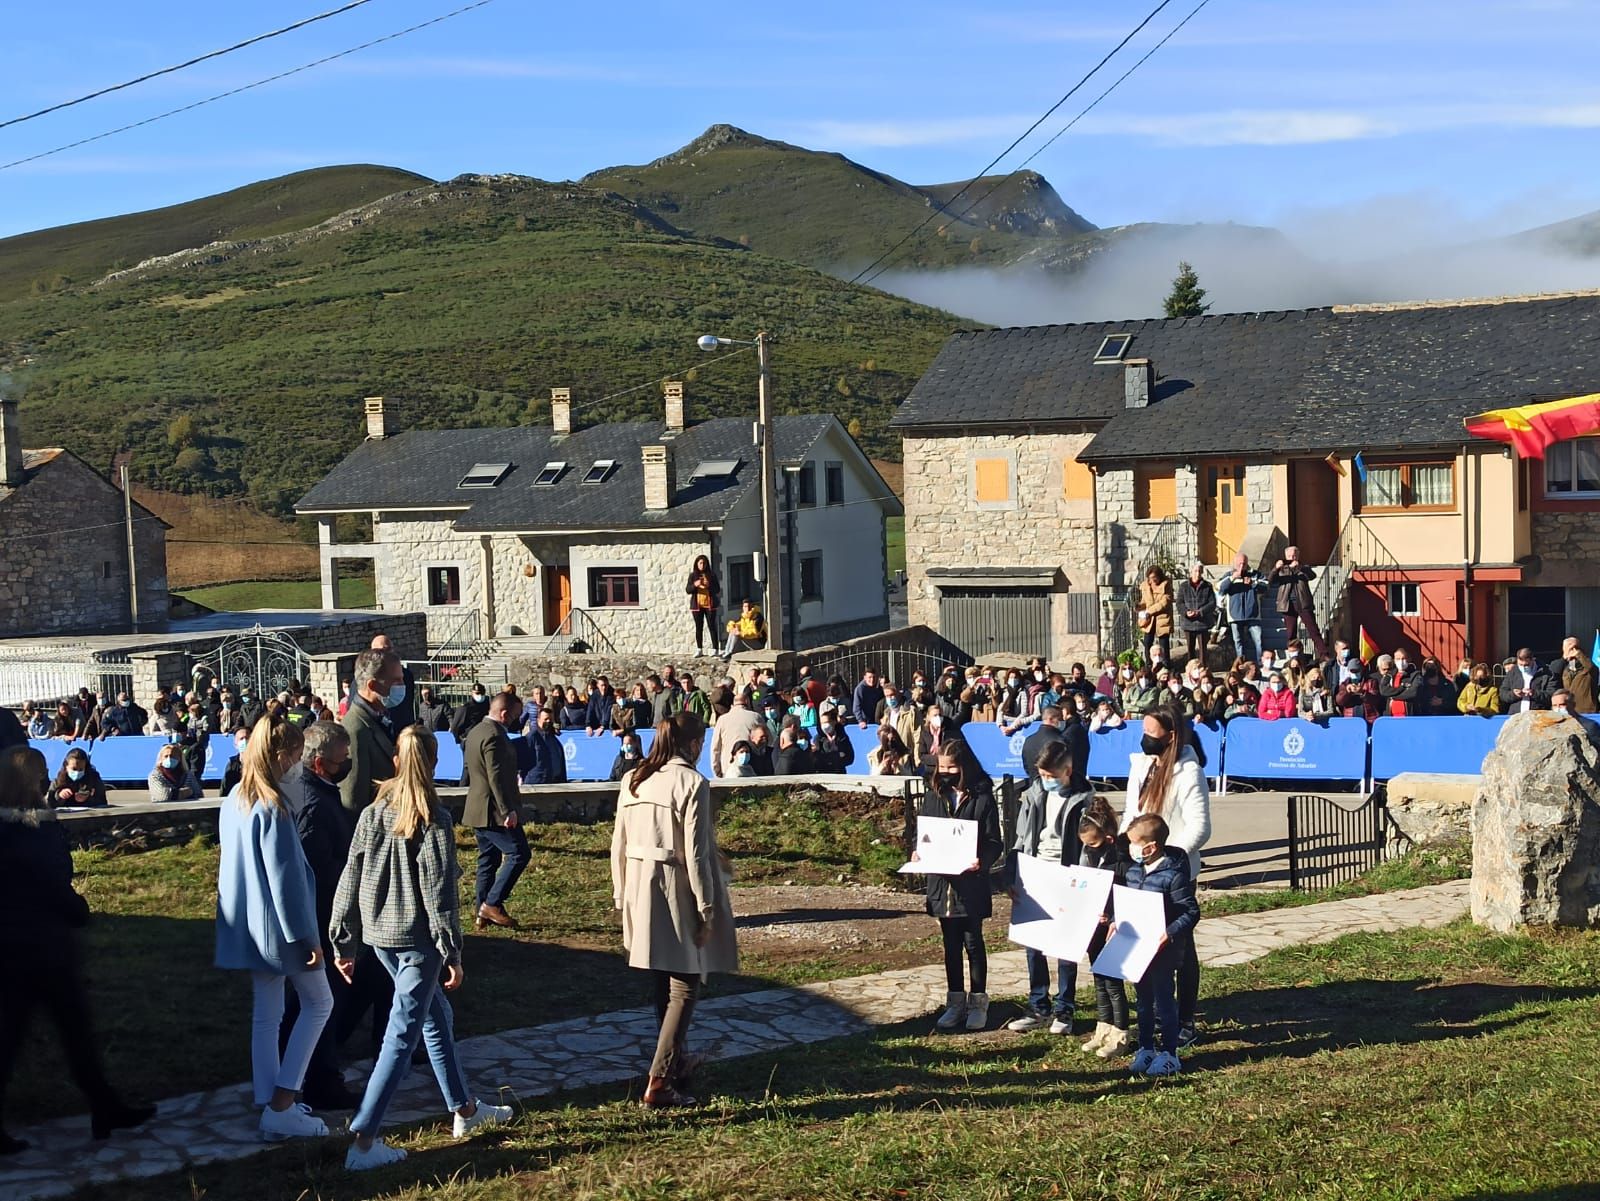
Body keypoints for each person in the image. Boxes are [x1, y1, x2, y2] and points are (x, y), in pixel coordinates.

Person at [331, 726, 512, 1170]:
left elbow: (349, 877)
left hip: (380, 939)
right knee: (401, 1034)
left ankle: (465, 1110)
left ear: (396, 760)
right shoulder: (433, 818)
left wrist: (344, 938)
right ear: (432, 763)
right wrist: (452, 951)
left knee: (436, 1017)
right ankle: (365, 1137)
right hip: (416, 944)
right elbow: (440, 893)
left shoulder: (374, 812)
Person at [0, 746, 154, 1154]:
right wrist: (77, 910)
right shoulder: (29, 830)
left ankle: (106, 1106)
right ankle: (106, 1107)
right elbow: (51, 883)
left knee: (65, 1031)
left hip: (20, 947)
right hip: (39, 947)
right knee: (36, 1033)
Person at [609, 711, 737, 1109]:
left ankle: (675, 1057)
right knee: (685, 981)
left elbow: (618, 841)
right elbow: (697, 854)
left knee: (662, 972)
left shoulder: (634, 779)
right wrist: (707, 906)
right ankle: (660, 1079)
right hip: (674, 886)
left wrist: (620, 892)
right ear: (696, 744)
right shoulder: (692, 782)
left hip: (638, 884)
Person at [214, 719, 334, 1142]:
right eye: (297, 755)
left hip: (247, 924)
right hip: (281, 930)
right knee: (319, 1003)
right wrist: (307, 939)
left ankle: (268, 1098)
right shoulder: (274, 806)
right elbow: (287, 883)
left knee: (267, 1012)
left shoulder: (234, 798)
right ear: (282, 756)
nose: (299, 763)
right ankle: (283, 1103)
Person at [280, 722, 365, 1111]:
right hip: (321, 917)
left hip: (312, 919)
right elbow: (318, 871)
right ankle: (320, 1080)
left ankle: (301, 1072)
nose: (346, 763)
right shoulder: (313, 802)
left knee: (307, 1003)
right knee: (320, 1002)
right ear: (319, 763)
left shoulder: (299, 786)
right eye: (340, 759)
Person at [1119, 711, 1211, 1048]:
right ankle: (1156, 1012)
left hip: (1173, 871)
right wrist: (1125, 843)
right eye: (1143, 730)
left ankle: (1185, 1020)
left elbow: (1200, 827)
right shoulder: (1142, 765)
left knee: (1180, 948)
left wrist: (1169, 860)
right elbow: (1132, 812)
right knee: (1146, 943)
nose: (1144, 737)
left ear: (1171, 736)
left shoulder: (1188, 772)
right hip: (1140, 867)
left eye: (1151, 732)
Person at [1003, 742, 1092, 1035]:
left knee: (1065, 948)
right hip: (1036, 873)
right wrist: (1013, 873)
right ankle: (1038, 1006)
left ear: (1067, 771)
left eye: (1050, 774)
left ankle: (1064, 1009)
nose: (1045, 780)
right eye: (1041, 774)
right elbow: (1021, 836)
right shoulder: (1033, 795)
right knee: (1034, 946)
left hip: (1067, 875)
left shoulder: (1084, 800)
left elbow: (1089, 844)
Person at [915, 742, 1003, 1034]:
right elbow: (922, 835)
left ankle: (978, 1002)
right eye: (942, 768)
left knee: (973, 942)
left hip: (970, 884)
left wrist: (983, 860)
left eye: (952, 768)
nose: (947, 773)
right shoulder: (934, 797)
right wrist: (917, 852)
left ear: (964, 767)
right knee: (950, 944)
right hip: (943, 884)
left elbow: (994, 841)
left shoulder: (982, 799)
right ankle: (955, 1002)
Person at [1118, 814, 1201, 1078]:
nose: (1130, 849)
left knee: (1164, 1002)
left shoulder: (1173, 876)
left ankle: (1170, 1053)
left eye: (1134, 843)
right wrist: (1113, 920)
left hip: (1163, 951)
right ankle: (1145, 1047)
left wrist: (1170, 932)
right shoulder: (1133, 872)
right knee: (1142, 1001)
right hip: (1138, 949)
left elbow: (1190, 912)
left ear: (1151, 847)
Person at [464, 694, 527, 931]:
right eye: (516, 715)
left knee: (488, 860)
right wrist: (506, 810)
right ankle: (492, 904)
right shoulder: (494, 736)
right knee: (519, 853)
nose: (516, 720)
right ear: (504, 714)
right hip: (493, 810)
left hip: (477, 807)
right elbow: (495, 776)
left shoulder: (476, 731)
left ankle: (482, 912)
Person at [1076, 798, 1133, 1059]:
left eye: (1093, 844)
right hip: (1092, 927)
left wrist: (1111, 916)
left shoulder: (1122, 863)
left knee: (1113, 982)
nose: (1089, 849)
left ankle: (1121, 1032)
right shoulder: (1089, 857)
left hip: (1112, 927)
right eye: (1085, 845)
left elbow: (1127, 896)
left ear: (1109, 839)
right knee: (1098, 978)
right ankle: (1103, 1027)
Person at [340, 648, 403, 814]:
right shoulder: (355, 729)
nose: (402, 687)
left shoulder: (381, 717)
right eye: (395, 681)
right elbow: (352, 799)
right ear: (372, 685)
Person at [1269, 546, 1329, 658]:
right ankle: (1294, 656)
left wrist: (1300, 568)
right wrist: (1275, 568)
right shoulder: (1282, 569)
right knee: (1291, 633)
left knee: (1313, 630)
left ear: (1298, 555)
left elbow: (1312, 576)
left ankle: (1324, 654)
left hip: (1303, 603)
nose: (1292, 557)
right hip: (1287, 604)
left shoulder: (1304, 567)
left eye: (1295, 555)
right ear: (1286, 556)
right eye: (1290, 555)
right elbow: (1271, 581)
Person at [709, 692, 764, 778]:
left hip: (727, 767)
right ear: (747, 702)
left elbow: (715, 748)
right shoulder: (756, 717)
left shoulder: (722, 720)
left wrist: (717, 770)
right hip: (752, 767)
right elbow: (766, 741)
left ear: (733, 704)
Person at [367, 634, 416, 728]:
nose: (388, 653)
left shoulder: (406, 675)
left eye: (390, 649)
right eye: (383, 649)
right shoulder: (365, 679)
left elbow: (408, 707)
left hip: (403, 730)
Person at [1175, 564, 1218, 664]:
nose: (1197, 573)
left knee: (1203, 650)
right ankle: (1191, 669)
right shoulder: (1184, 586)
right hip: (1188, 623)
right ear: (1191, 572)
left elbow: (1212, 603)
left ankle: (1203, 670)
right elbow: (1179, 603)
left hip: (1203, 623)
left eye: (1199, 571)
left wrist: (1201, 612)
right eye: (1195, 571)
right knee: (1190, 650)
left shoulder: (1207, 586)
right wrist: (1186, 612)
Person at [686, 554, 722, 655]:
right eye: (700, 563)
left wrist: (709, 585)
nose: (702, 565)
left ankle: (715, 649)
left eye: (704, 563)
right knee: (699, 627)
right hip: (697, 606)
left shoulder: (712, 575)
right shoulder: (692, 576)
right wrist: (695, 585)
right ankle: (699, 649)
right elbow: (688, 590)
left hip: (709, 605)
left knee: (712, 626)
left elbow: (717, 589)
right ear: (697, 564)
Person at [1137, 566, 1174, 664]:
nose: (1152, 580)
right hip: (1149, 621)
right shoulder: (1146, 586)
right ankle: (1149, 664)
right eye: (1150, 578)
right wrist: (1139, 606)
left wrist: (1149, 611)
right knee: (1147, 642)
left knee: (1163, 644)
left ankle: (1165, 664)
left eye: (1155, 578)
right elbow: (1145, 601)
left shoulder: (1166, 585)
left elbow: (1164, 602)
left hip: (1162, 619)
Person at [523, 706, 567, 786]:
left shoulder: (554, 739)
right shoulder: (531, 737)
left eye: (550, 719)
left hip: (556, 782)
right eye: (546, 719)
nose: (548, 721)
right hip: (537, 783)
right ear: (538, 720)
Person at [1499, 647, 1550, 715]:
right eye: (1520, 664)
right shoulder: (1512, 672)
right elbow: (1503, 693)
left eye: (1526, 665)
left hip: (1538, 715)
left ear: (1532, 660)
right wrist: (1514, 694)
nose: (1523, 667)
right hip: (1515, 715)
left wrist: (1534, 693)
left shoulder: (1546, 673)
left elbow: (1551, 695)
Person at [1559, 637, 1598, 714]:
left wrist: (1578, 654)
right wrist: (1565, 657)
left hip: (1587, 711)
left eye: (1571, 648)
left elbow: (1590, 667)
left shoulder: (1587, 669)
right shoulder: (1567, 668)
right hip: (1569, 710)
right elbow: (1555, 671)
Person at [1379, 650, 1423, 717]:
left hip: (1409, 716)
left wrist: (1393, 697)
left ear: (1409, 659)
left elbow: (1413, 692)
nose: (1401, 661)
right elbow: (1383, 690)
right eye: (1398, 659)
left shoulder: (1415, 675)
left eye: (1403, 658)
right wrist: (1401, 688)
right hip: (1391, 717)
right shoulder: (1389, 675)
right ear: (1394, 660)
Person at [812, 707, 855, 773]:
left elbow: (850, 758)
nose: (824, 725)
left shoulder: (842, 737)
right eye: (822, 723)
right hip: (823, 774)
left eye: (826, 722)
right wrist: (838, 755)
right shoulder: (818, 739)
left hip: (839, 773)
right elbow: (817, 759)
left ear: (834, 722)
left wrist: (837, 758)